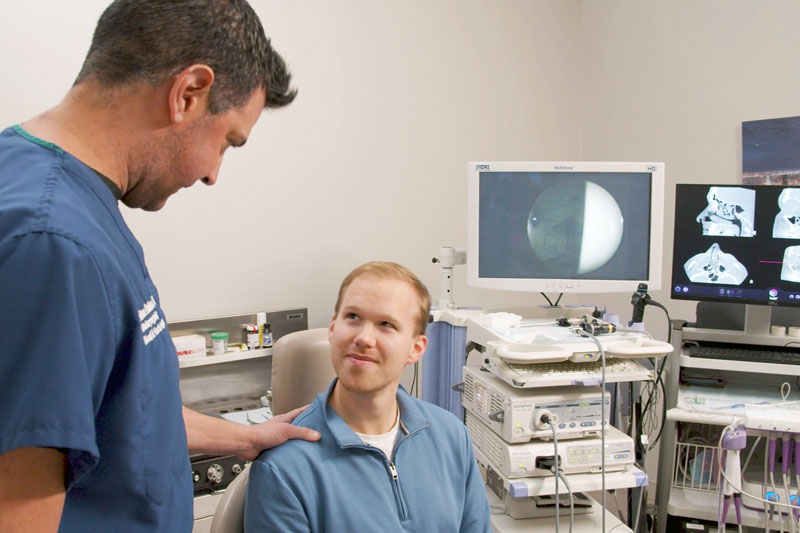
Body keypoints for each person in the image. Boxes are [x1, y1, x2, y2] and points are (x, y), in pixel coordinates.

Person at [0, 1, 320, 531]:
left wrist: (246, 437)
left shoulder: (51, 188)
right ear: (188, 93)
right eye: (227, 142)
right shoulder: (53, 245)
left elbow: (116, 409)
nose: (214, 173)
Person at [244, 261, 491, 532]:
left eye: (386, 324)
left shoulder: (451, 437)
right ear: (332, 327)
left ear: (416, 348)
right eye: (353, 317)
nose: (364, 338)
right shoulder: (284, 468)